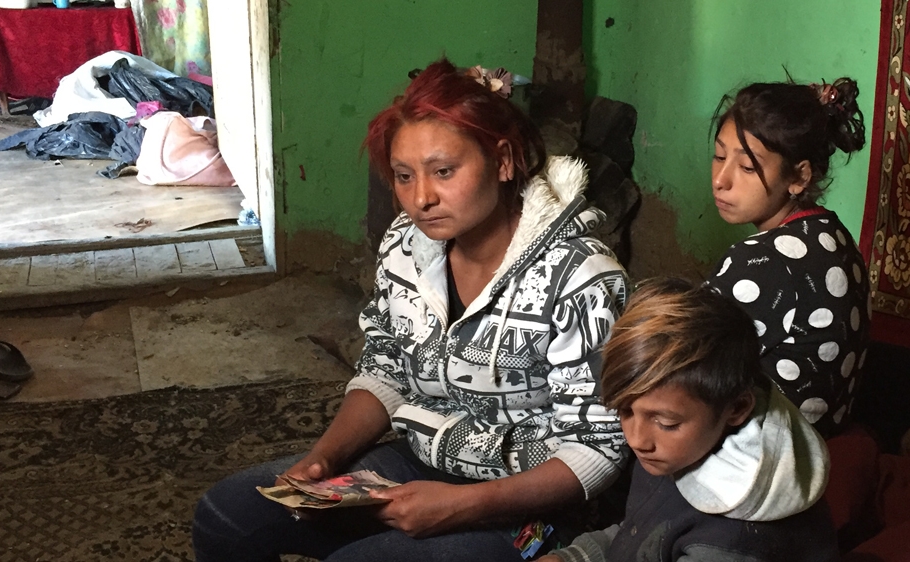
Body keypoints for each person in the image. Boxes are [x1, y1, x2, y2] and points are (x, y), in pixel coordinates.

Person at [191, 58, 631, 561]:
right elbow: (385, 368)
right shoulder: (406, 245)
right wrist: (323, 459)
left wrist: (465, 505)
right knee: (226, 517)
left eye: (444, 172)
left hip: (536, 504)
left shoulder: (580, 278)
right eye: (403, 176)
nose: (421, 198)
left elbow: (600, 449)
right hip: (425, 459)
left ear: (504, 161)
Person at [541, 278, 839, 562]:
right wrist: (573, 556)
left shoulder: (732, 542)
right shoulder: (674, 451)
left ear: (736, 408)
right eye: (624, 411)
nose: (637, 440)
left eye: (666, 423)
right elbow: (641, 534)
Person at [704, 78, 870, 439]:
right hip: (826, 443)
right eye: (719, 156)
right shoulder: (833, 234)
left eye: (747, 167)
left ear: (798, 177)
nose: (721, 179)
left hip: (771, 461)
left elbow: (685, 366)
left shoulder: (760, 262)